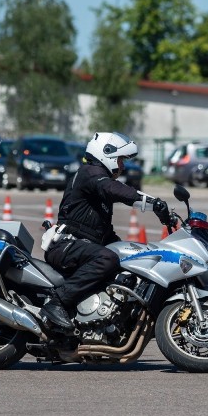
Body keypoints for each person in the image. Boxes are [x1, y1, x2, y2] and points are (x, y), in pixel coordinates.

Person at [41, 132, 172, 332]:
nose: (123, 166)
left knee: (123, 262)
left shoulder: (97, 191)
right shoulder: (90, 173)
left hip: (80, 247)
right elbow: (115, 189)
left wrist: (137, 252)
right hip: (67, 245)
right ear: (107, 154)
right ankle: (56, 302)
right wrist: (153, 203)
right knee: (106, 259)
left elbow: (104, 234)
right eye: (120, 160)